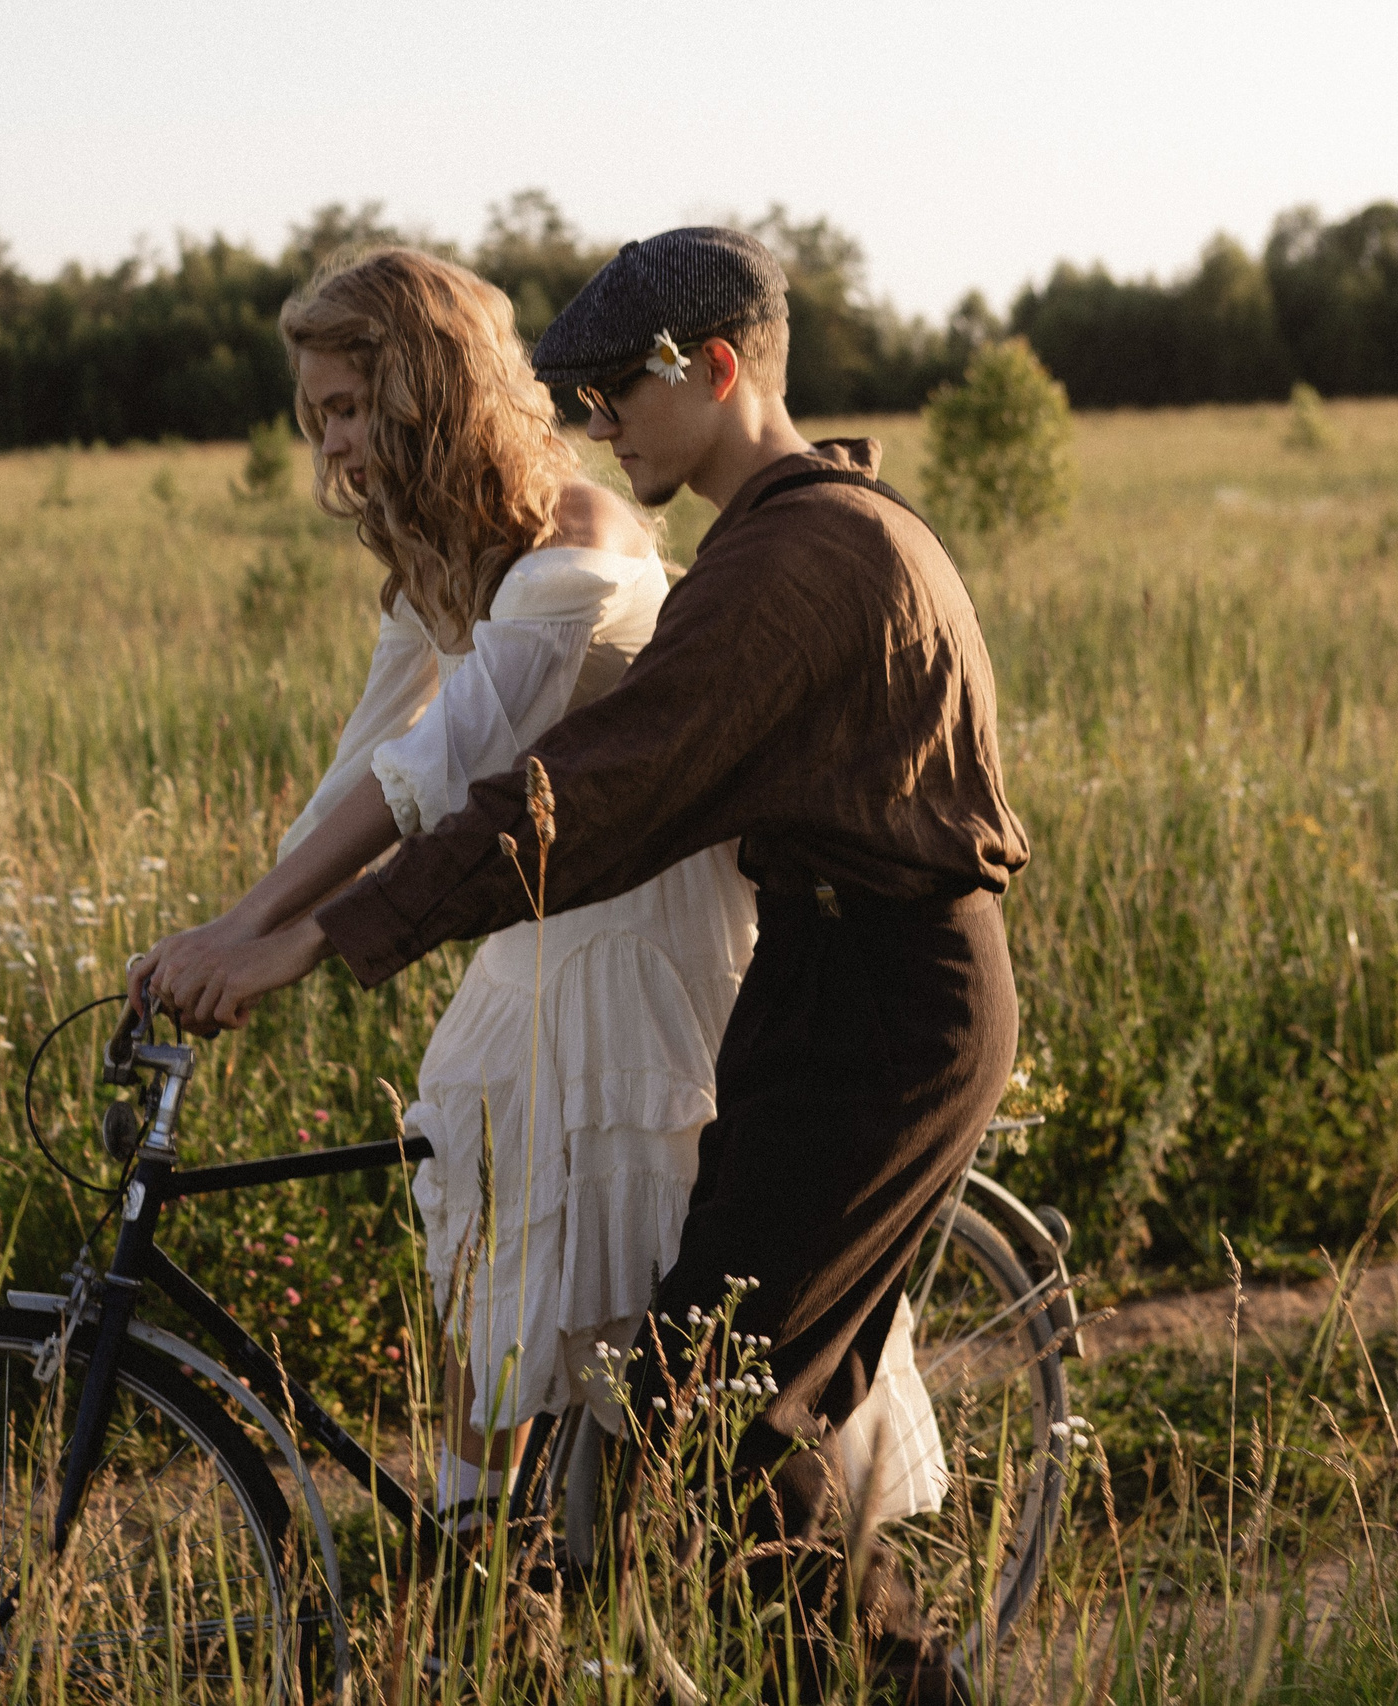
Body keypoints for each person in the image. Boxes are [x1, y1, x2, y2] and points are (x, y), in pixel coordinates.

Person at [149, 228, 1024, 1705]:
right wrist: (251, 920)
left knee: (717, 1427)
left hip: (884, 1010)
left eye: (618, 390)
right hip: (819, 986)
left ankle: (892, 1680)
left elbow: (583, 794)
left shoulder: (802, 560)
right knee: (704, 1415)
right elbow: (414, 762)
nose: (596, 421)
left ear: (719, 369)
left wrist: (312, 935)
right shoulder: (780, 537)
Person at [129, 246, 819, 1539]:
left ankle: (618, 1563)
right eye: (319, 412)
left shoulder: (578, 544)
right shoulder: (456, 552)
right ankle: (481, 1567)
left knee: (620, 1309)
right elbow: (364, 757)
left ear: (425, 393)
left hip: (644, 946)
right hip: (541, 935)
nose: (333, 439)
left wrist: (266, 940)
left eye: (349, 406)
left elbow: (435, 771)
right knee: (489, 1266)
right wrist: (234, 925)